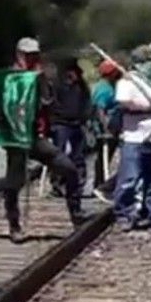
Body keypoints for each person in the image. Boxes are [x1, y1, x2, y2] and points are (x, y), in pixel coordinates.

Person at [2, 37, 85, 243]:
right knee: (13, 183)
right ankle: (14, 225)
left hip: (34, 136)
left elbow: (48, 102)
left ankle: (76, 215)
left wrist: (41, 84)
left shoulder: (40, 77)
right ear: (19, 55)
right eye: (28, 55)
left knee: (68, 168)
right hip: (15, 137)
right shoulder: (9, 77)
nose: (32, 58)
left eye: (35, 55)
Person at [112, 45, 151, 230]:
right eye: (148, 60)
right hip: (135, 136)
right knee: (130, 178)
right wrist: (146, 108)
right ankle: (125, 214)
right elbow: (123, 102)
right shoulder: (128, 81)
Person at [49, 56, 91, 204]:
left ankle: (78, 185)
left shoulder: (81, 84)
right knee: (58, 156)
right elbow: (51, 103)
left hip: (77, 124)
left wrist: (85, 117)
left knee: (79, 156)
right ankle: (57, 184)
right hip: (61, 124)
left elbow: (87, 100)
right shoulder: (56, 84)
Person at [91, 59, 122, 203]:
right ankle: (100, 185)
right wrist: (106, 128)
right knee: (103, 158)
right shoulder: (104, 89)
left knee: (105, 158)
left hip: (112, 127)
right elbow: (100, 110)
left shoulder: (109, 86)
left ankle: (101, 184)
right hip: (107, 128)